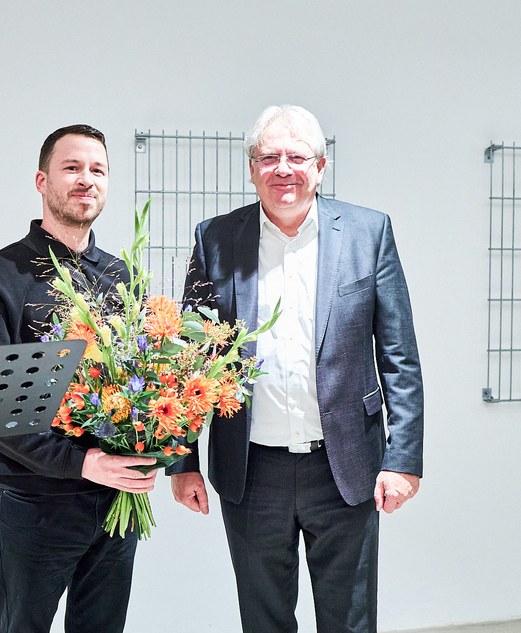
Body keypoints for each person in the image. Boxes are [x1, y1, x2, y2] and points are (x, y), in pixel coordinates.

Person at [168, 105, 425, 633]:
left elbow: (399, 356)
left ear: (321, 166)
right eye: (269, 157)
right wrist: (182, 460)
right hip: (251, 469)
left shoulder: (367, 233)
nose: (283, 168)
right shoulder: (214, 239)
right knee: (263, 621)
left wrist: (403, 458)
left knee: (349, 621)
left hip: (344, 467)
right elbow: (187, 360)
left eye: (296, 157)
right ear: (251, 168)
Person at [0, 124, 156, 633]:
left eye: (98, 170)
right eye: (72, 168)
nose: (86, 180)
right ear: (42, 181)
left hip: (116, 501)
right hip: (32, 505)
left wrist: (159, 447)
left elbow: (146, 387)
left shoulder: (121, 276)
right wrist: (82, 462)